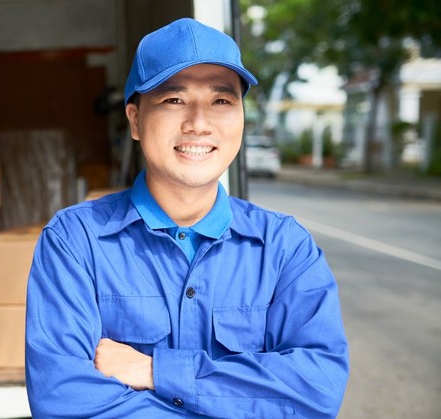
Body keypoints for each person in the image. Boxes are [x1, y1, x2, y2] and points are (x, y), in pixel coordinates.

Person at [24, 17, 349, 418]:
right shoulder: (75, 242)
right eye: (174, 100)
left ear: (241, 118)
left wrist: (155, 371)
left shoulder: (284, 247)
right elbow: (63, 400)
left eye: (221, 101)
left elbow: (317, 390)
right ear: (135, 120)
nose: (198, 122)